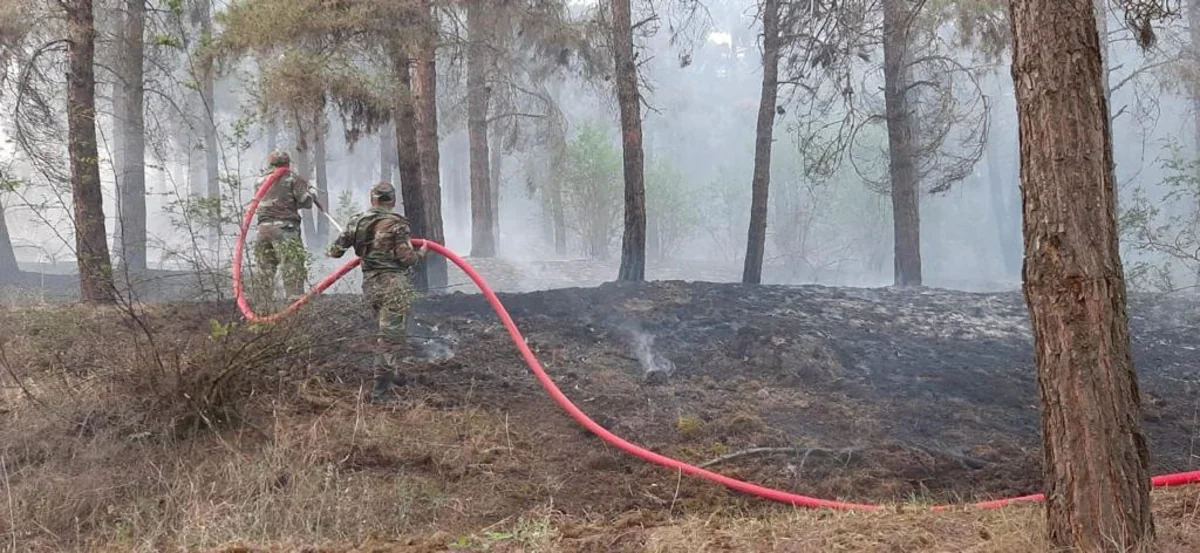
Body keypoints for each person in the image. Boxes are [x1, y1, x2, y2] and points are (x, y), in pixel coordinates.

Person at [328, 181, 428, 402]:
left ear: (372, 199)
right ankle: (379, 394)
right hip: (393, 286)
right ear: (392, 201)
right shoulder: (397, 224)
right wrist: (421, 253)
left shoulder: (357, 221)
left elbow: (334, 251)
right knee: (389, 341)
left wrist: (354, 240)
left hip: (371, 285)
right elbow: (407, 259)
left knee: (388, 335)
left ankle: (392, 374)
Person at [253, 151, 318, 303]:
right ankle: (295, 311)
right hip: (285, 229)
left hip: (263, 230)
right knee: (292, 268)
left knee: (264, 270)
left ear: (270, 164)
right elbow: (306, 201)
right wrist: (311, 193)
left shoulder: (259, 181)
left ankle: (261, 309)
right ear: (288, 164)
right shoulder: (292, 178)